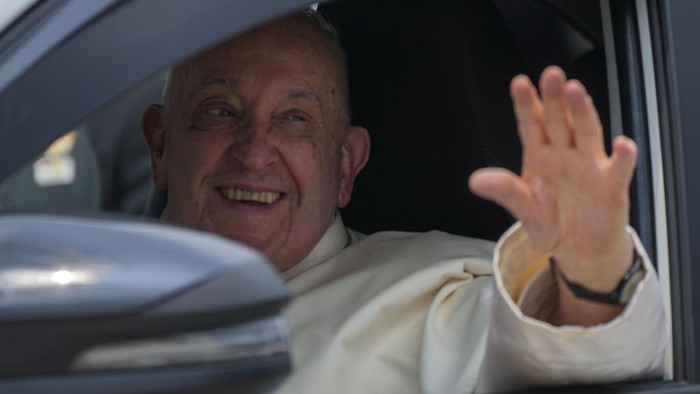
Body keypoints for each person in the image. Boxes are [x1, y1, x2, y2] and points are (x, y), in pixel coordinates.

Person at [141, 10, 667, 393]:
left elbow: (568, 358)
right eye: (219, 110)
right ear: (160, 145)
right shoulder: (80, 285)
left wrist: (591, 275)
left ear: (346, 164)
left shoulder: (438, 295)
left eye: (295, 118)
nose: (255, 151)